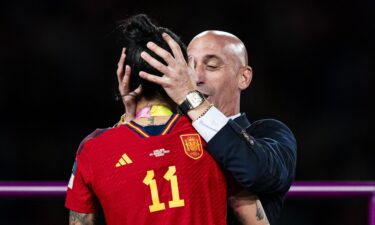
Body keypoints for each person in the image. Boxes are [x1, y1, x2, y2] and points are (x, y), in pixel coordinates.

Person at [65, 14, 269, 225]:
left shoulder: (93, 149)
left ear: (126, 77)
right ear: (181, 73)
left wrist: (127, 118)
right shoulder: (215, 138)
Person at [118, 30, 297, 225]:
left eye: (211, 66)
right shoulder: (167, 137)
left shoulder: (270, 133)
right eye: (190, 67)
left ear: (243, 78)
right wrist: (133, 119)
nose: (197, 78)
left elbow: (253, 171)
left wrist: (190, 97)